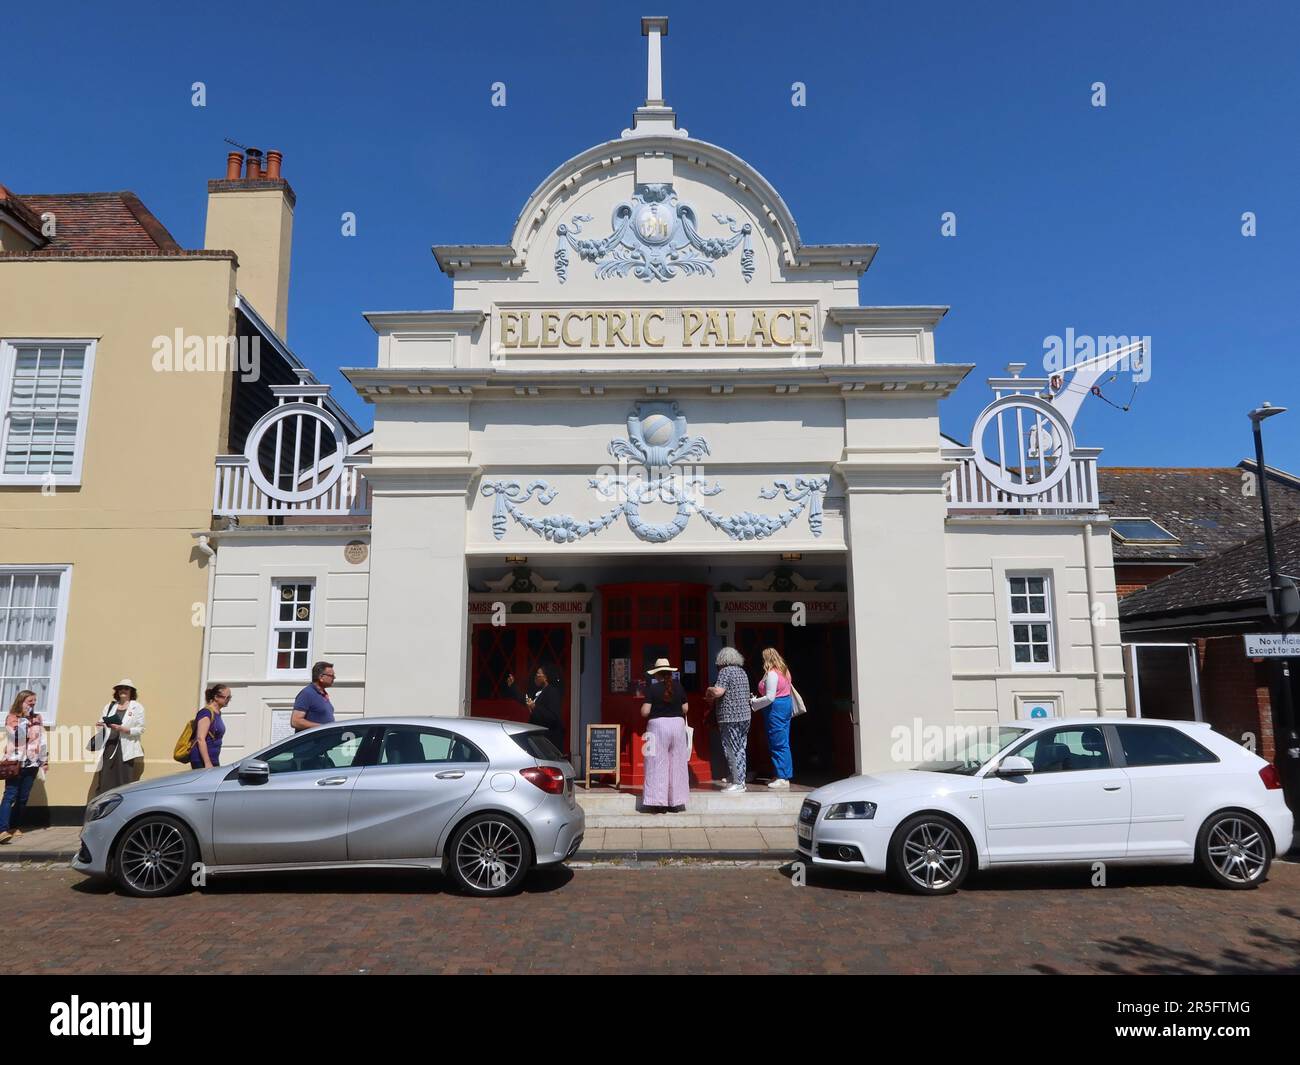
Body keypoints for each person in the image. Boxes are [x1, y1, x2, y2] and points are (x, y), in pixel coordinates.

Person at [640, 658, 689, 812]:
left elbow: (645, 712)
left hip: (657, 727)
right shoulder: (679, 687)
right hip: (677, 726)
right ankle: (676, 802)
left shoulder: (652, 689)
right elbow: (686, 708)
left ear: (656, 675)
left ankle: (658, 802)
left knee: (656, 764)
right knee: (677, 764)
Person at [0, 691, 48, 843]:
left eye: (34, 701)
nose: (33, 703)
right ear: (21, 701)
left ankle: (14, 827)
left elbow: (41, 740)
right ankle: (2, 829)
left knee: (23, 798)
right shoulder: (12, 718)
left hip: (32, 762)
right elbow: (17, 736)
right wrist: (24, 720)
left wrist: (44, 760)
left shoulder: (37, 718)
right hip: (15, 762)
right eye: (30, 700)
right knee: (10, 795)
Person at [706, 646, 751, 793]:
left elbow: (719, 692)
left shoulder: (725, 671)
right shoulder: (742, 672)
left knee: (731, 748)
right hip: (745, 716)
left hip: (729, 717)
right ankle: (739, 779)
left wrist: (709, 689)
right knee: (741, 748)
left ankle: (738, 782)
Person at [92, 679, 145, 798]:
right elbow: (102, 720)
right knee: (106, 778)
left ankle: (123, 805)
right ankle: (103, 805)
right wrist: (101, 724)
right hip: (109, 746)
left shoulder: (137, 707)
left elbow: (141, 729)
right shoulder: (110, 706)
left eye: (126, 688)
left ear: (131, 691)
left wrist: (124, 729)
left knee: (123, 779)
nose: (123, 690)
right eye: (120, 688)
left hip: (125, 748)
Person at [750, 647, 794, 789]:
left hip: (776, 709)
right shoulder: (785, 672)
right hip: (784, 706)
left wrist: (754, 702)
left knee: (778, 742)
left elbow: (770, 697)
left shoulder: (772, 674)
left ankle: (783, 777)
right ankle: (779, 774)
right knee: (782, 741)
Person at [507, 668, 564, 753]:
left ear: (545, 677)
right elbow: (525, 699)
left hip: (548, 740)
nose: (535, 677)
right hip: (538, 739)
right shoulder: (539, 692)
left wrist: (535, 707)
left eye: (538, 674)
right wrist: (513, 686)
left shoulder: (552, 692)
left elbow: (553, 717)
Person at [191, 684, 231, 769]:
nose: (228, 700)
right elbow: (200, 739)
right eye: (226, 697)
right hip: (201, 761)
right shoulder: (206, 713)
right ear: (216, 697)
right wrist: (207, 763)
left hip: (213, 759)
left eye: (229, 698)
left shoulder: (218, 713)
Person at [291, 661, 335, 730]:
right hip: (312, 740)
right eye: (331, 675)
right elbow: (295, 721)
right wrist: (323, 727)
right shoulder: (307, 694)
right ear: (321, 677)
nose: (334, 678)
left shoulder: (323, 694)